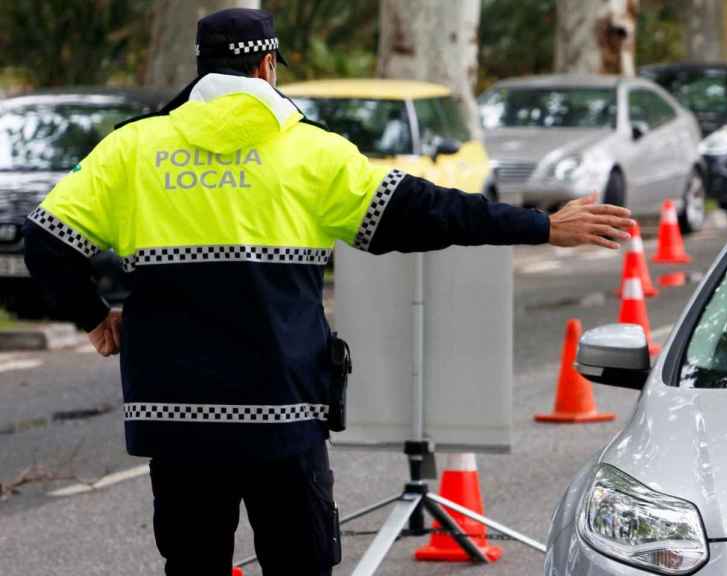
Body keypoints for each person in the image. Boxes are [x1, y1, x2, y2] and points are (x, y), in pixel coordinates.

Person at [22, 8, 633, 576]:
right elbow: (427, 210)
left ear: (202, 67)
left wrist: (94, 316)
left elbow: (46, 239)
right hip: (282, 413)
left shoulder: (132, 151)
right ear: (267, 67)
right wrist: (543, 225)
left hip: (177, 420)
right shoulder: (311, 151)